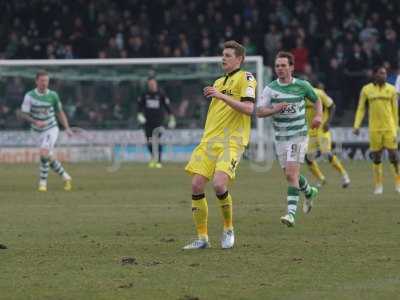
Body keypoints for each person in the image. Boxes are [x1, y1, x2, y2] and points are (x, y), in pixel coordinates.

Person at [183, 40, 256, 249]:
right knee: (196, 185)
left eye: (228, 55)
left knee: (219, 184)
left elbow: (249, 109)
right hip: (209, 141)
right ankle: (202, 238)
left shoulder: (247, 78)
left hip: (231, 142)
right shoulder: (217, 82)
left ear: (239, 59)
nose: (223, 58)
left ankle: (228, 228)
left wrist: (221, 96)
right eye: (222, 54)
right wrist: (217, 93)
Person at [256, 51, 322, 227]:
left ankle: (290, 214)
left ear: (291, 67)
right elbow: (260, 112)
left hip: (298, 136)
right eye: (277, 66)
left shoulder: (303, 85)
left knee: (291, 174)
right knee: (290, 175)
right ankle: (309, 191)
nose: (280, 69)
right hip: (280, 138)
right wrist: (274, 109)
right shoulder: (270, 89)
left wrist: (318, 116)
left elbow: (317, 101)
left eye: (284, 65)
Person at [18, 70, 73, 192]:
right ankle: (66, 177)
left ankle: (42, 183)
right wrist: (34, 121)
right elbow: (23, 114)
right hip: (36, 131)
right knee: (47, 156)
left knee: (44, 153)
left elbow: (60, 112)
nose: (45, 83)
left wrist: (67, 128)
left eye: (46, 81)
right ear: (36, 81)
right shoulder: (29, 96)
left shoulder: (53, 95)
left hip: (51, 128)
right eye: (42, 81)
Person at [353, 66, 399, 194]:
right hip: (374, 129)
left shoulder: (392, 90)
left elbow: (395, 111)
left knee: (394, 155)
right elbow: (361, 109)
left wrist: (396, 129)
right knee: (377, 157)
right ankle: (378, 185)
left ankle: (398, 182)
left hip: (389, 127)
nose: (383, 76)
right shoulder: (366, 90)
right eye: (381, 73)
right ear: (375, 75)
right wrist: (356, 125)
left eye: (385, 73)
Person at [305, 82, 351, 188]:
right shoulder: (300, 97)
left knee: (326, 153)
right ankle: (321, 179)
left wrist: (328, 122)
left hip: (322, 129)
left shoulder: (319, 93)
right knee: (308, 158)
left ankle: (344, 175)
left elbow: (332, 106)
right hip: (310, 131)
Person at [137, 77, 175, 168]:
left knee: (157, 141)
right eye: (150, 84)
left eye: (153, 84)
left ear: (156, 84)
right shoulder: (144, 94)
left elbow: (167, 107)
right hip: (148, 122)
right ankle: (153, 158)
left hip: (159, 122)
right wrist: (140, 116)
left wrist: (172, 118)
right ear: (148, 85)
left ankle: (159, 161)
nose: (152, 86)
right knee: (149, 141)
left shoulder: (161, 94)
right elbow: (139, 107)